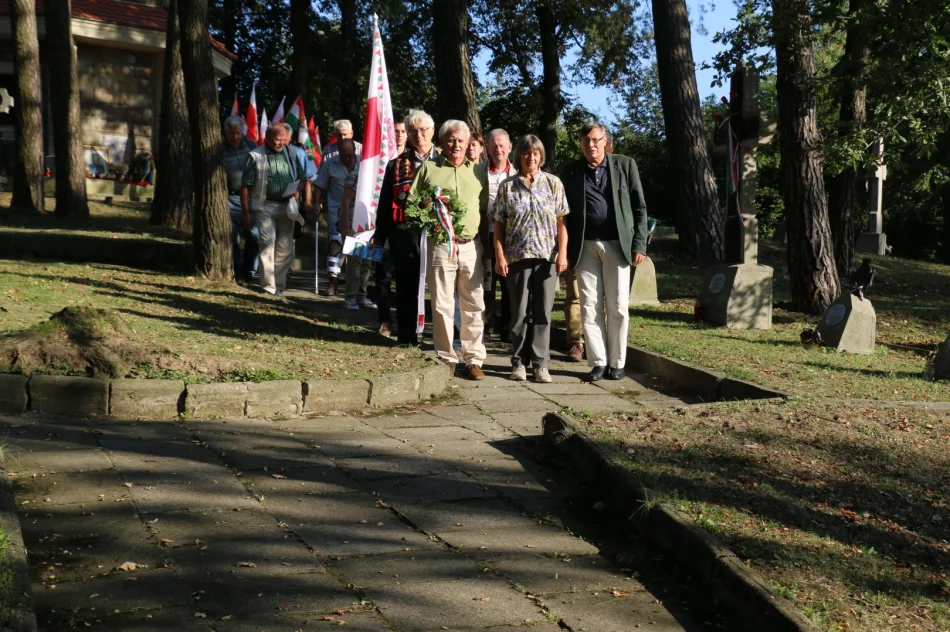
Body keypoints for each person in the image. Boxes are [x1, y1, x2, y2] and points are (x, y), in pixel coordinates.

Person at [562, 123, 648, 382]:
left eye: (596, 140)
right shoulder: (572, 171)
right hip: (585, 246)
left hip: (617, 244)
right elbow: (564, 213)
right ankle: (598, 362)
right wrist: (564, 250)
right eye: (586, 141)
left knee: (618, 306)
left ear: (605, 142)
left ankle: (617, 363)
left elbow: (640, 207)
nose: (591, 145)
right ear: (581, 145)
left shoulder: (625, 165)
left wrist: (639, 244)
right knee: (590, 306)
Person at [408, 120, 489, 380]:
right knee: (443, 304)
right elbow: (412, 203)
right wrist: (428, 215)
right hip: (441, 245)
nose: (456, 145)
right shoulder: (429, 169)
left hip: (471, 246)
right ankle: (446, 357)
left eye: (461, 141)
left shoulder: (477, 173)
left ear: (468, 144)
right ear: (441, 143)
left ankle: (473, 359)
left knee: (474, 304)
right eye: (451, 140)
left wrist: (485, 245)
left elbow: (484, 210)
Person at [491, 135, 568, 383]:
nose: (531, 157)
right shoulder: (507, 186)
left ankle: (541, 364)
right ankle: (518, 363)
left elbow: (561, 222)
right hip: (517, 257)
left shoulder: (554, 183)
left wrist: (563, 254)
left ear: (541, 156)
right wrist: (500, 256)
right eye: (526, 153)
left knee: (543, 312)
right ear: (519, 156)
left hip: (547, 258)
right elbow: (499, 226)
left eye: (535, 153)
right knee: (519, 313)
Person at [374, 110, 438, 344]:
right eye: (413, 130)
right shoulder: (397, 165)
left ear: (432, 131)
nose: (418, 135)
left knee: (441, 288)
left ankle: (445, 340)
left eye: (423, 130)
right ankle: (407, 337)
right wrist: (380, 235)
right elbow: (385, 202)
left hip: (438, 233)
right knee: (406, 286)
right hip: (405, 233)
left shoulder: (444, 162)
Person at [240, 123, 311, 297]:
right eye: (277, 140)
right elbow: (245, 185)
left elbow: (302, 178)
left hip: (287, 206)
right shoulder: (255, 156)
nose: (280, 143)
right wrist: (246, 212)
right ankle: (268, 287)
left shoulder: (292, 153)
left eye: (283, 140)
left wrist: (297, 190)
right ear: (267, 138)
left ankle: (279, 288)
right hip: (264, 206)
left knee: (285, 249)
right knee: (267, 243)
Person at [314, 138, 361, 297]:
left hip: (358, 211)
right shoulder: (330, 164)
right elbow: (319, 185)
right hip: (337, 210)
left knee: (356, 247)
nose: (347, 159)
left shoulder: (363, 162)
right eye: (344, 155)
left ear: (354, 151)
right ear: (339, 152)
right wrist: (316, 203)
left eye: (350, 155)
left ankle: (355, 286)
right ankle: (332, 282)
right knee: (335, 243)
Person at [482, 129, 516, 339]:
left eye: (502, 145)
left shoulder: (518, 173)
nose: (498, 149)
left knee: (509, 283)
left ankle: (507, 330)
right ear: (487, 147)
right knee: (486, 283)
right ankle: (487, 326)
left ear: (510, 147)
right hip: (485, 234)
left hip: (510, 238)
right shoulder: (479, 171)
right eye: (494, 145)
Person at [222, 115, 260, 281]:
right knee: (232, 236)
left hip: (251, 199)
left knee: (254, 236)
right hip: (230, 199)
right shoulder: (220, 149)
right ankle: (236, 269)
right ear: (225, 133)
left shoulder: (251, 146)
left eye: (238, 133)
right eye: (232, 133)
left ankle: (250, 270)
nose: (235, 137)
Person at [339, 169, 376, 310]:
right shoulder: (355, 175)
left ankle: (362, 296)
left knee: (367, 263)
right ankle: (350, 297)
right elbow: (345, 202)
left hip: (371, 226)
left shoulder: (379, 176)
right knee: (354, 262)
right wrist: (346, 228)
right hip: (355, 224)